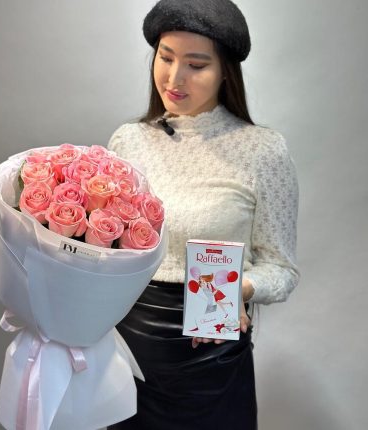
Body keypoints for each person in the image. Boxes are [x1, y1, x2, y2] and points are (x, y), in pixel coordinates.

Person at [107, 1, 299, 429]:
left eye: (196, 65)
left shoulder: (263, 151)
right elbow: (110, 250)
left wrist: (237, 289)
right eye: (166, 57)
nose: (174, 78)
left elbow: (282, 269)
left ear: (225, 71)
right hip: (128, 352)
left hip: (210, 351)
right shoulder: (128, 142)